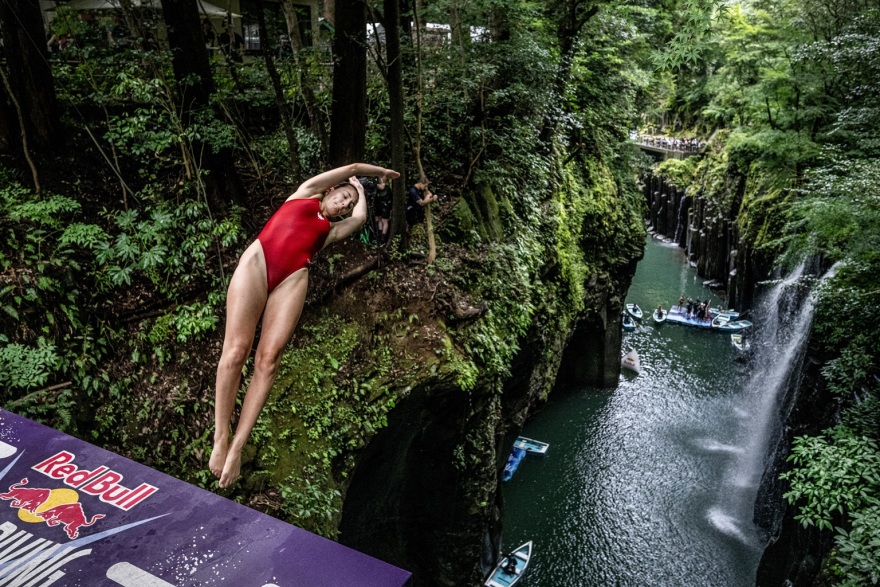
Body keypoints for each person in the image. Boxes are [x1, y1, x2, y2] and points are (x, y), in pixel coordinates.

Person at [210, 163, 400, 488]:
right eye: (342, 197)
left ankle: (238, 447)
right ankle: (221, 435)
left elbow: (360, 220)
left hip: (293, 278)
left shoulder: (330, 231)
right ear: (330, 190)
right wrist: (373, 174)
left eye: (348, 203)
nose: (344, 204)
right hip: (259, 263)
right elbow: (352, 166)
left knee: (268, 361)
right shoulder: (306, 194)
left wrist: (362, 197)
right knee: (237, 350)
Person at [373, 178, 392, 244]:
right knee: (379, 219)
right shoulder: (377, 189)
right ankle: (380, 235)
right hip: (378, 205)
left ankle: (383, 237)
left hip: (385, 205)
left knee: (384, 220)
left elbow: (382, 187)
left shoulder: (387, 189)